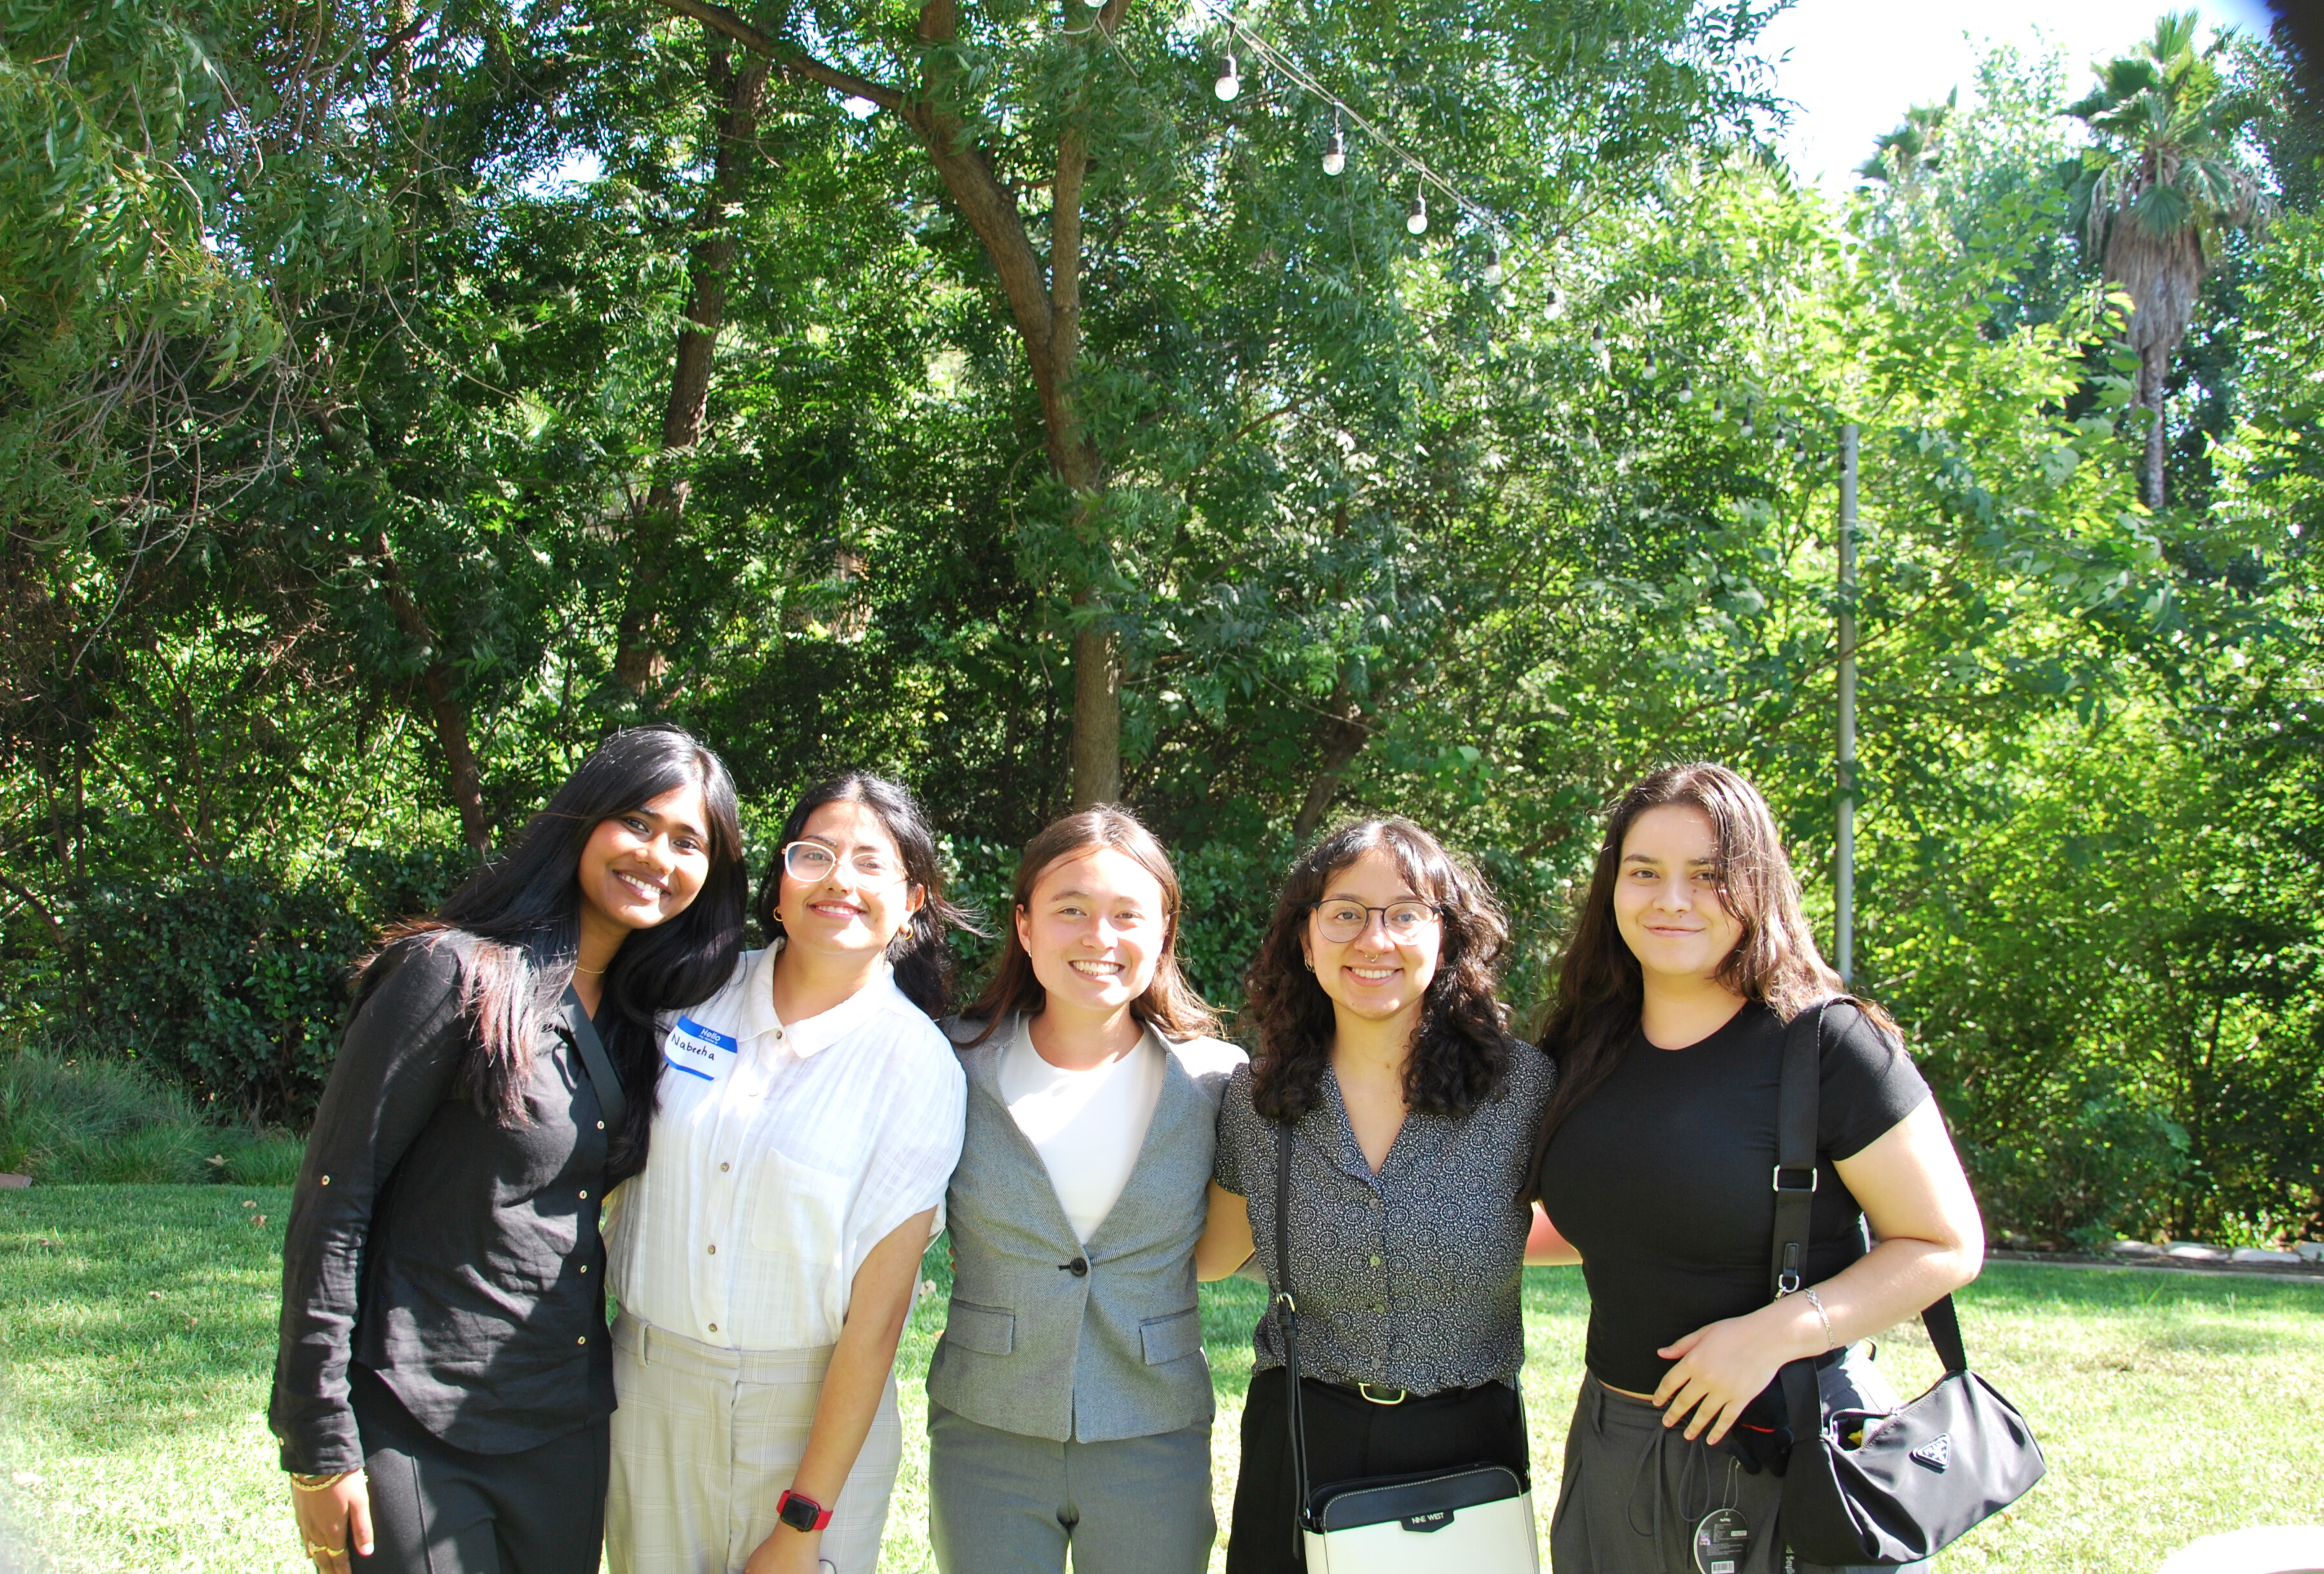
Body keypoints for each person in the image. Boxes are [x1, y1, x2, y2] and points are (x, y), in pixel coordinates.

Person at [272, 724, 748, 1574]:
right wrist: (319, 1441)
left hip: (562, 1421)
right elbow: (336, 1202)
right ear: (584, 820)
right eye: (638, 823)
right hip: (411, 1410)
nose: (657, 856)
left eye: (688, 842)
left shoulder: (648, 1020)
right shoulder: (451, 975)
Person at [1527, 762, 1985, 1574]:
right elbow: (1612, 1223)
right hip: (1614, 1445)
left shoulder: (1827, 1045)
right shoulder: (1582, 1046)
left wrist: (1774, 1335)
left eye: (1708, 875)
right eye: (1644, 872)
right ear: (1612, 888)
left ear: (1756, 884)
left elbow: (1944, 1244)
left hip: (1787, 1448)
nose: (1671, 899)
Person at [603, 772, 970, 1574]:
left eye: (870, 863)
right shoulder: (689, 995)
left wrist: (803, 1521)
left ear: (912, 902)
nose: (839, 879)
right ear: (779, 885)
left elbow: (877, 1323)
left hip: (808, 1422)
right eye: (815, 855)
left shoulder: (916, 1066)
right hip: (646, 1395)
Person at [1198, 817, 1556, 1574]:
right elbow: (1212, 1254)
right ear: (1306, 940)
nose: (1374, 939)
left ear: (1445, 936)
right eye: (1345, 913)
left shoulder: (1521, 1088)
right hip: (1300, 1440)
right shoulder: (1257, 1099)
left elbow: (1609, 1230)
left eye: (1403, 913)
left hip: (1466, 1448)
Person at [927, 807, 1247, 1574]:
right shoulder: (950, 1062)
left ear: (1163, 932)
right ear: (1025, 925)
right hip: (985, 1423)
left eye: (1126, 914)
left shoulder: (1217, 1082)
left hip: (1153, 1424)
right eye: (1069, 909)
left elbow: (1216, 1255)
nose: (1098, 936)